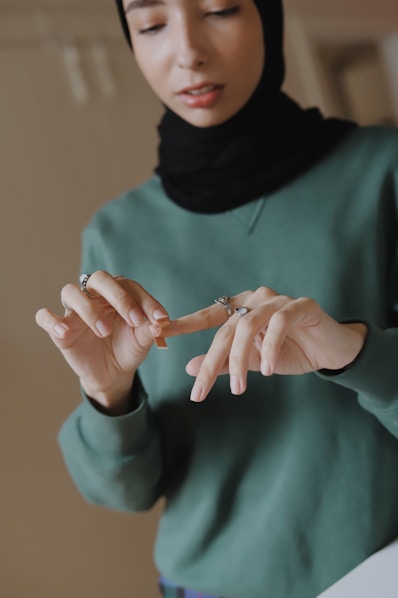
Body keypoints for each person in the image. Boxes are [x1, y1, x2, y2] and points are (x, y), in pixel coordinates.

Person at [35, 0, 398, 596]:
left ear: (269, 15)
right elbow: (126, 493)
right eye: (151, 25)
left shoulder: (381, 171)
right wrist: (107, 394)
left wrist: (352, 350)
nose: (187, 52)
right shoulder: (115, 232)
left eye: (220, 9)